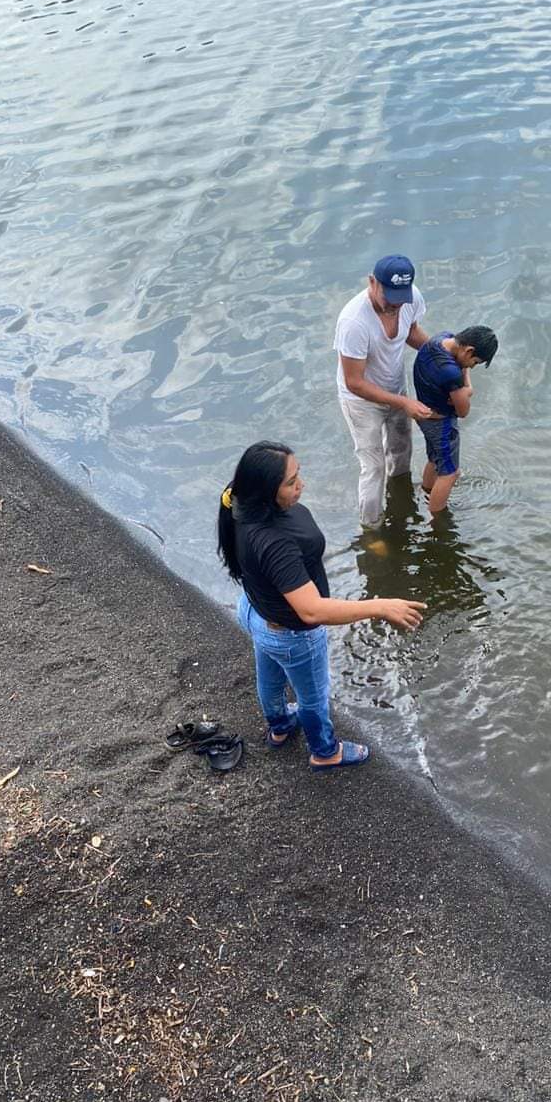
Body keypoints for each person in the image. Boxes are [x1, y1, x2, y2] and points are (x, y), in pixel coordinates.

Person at [217, 440, 426, 770]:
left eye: (298, 474)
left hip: (255, 611)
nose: (301, 485)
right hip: (291, 635)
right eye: (290, 482)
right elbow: (311, 610)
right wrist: (380, 606)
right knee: (312, 697)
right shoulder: (275, 542)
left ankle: (280, 727)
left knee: (269, 678)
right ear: (265, 491)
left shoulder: (238, 501)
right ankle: (325, 752)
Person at [334, 255, 435, 529]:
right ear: (372, 282)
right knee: (373, 466)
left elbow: (411, 332)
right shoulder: (354, 322)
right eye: (389, 296)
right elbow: (354, 381)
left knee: (402, 451)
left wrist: (442, 354)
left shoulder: (410, 298)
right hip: (360, 401)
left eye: (401, 297)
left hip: (395, 387)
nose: (395, 304)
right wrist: (404, 402)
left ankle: (401, 502)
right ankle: (371, 528)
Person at [413, 326, 498, 514]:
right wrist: (468, 389)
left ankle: (427, 493)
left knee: (434, 460)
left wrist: (463, 379)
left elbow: (459, 373)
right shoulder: (450, 373)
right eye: (474, 362)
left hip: (425, 415)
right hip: (441, 424)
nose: (470, 367)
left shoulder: (439, 339)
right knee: (450, 474)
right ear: (469, 351)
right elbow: (463, 411)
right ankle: (436, 519)